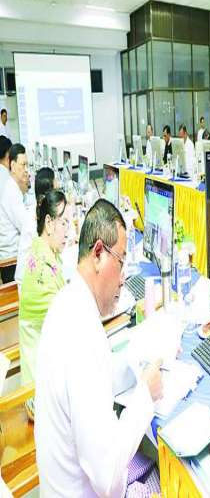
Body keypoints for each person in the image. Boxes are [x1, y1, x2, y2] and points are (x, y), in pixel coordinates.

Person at [35, 199, 163, 497]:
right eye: (121, 262)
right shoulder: (81, 335)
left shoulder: (67, 303)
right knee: (167, 479)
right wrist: (146, 394)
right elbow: (108, 478)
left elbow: (98, 377)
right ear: (98, 254)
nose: (123, 278)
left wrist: (137, 362)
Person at [19, 189, 70, 392]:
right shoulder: (41, 270)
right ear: (49, 223)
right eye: (64, 223)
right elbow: (65, 322)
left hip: (45, 370)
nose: (68, 231)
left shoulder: (44, 252)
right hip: (39, 390)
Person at [0, 144, 32, 283]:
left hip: (14, 256)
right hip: (12, 263)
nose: (26, 170)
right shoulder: (11, 192)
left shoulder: (12, 186)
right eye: (23, 165)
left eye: (27, 165)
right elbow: (26, 227)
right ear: (13, 166)